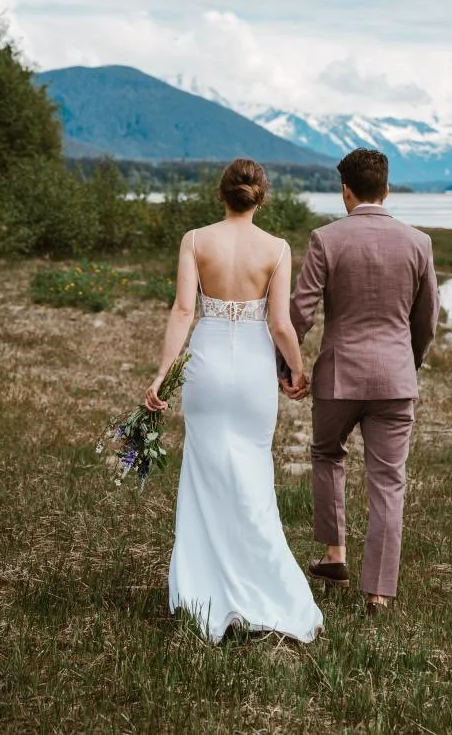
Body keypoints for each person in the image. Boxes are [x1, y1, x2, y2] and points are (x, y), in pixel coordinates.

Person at [144, 158, 323, 643]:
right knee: (253, 475)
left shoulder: (196, 240)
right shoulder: (278, 248)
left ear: (221, 195)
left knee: (204, 475)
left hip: (206, 367)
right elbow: (281, 325)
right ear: (260, 197)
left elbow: (184, 309)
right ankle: (268, 590)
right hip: (252, 371)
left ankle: (203, 593)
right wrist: (298, 369)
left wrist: (162, 375)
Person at [281, 148, 439, 615]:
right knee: (389, 481)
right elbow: (427, 318)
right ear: (386, 188)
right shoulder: (419, 242)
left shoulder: (325, 239)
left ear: (345, 190)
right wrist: (410, 362)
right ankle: (380, 593)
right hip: (395, 377)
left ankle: (335, 556)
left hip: (338, 377)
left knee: (327, 453)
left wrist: (287, 366)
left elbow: (300, 312)